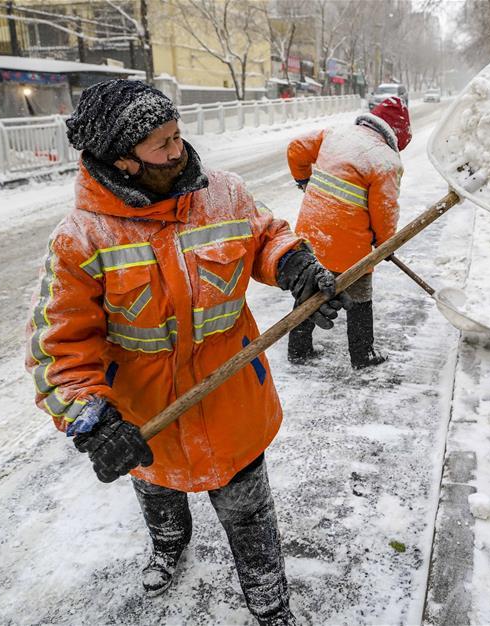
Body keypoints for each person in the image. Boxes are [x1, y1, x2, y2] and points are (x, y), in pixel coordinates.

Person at [25, 79, 349, 624]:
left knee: (249, 513)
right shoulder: (81, 238)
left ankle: (271, 603)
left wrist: (293, 263)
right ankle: (169, 545)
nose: (179, 150)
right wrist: (93, 420)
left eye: (178, 135)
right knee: (158, 495)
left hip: (233, 400)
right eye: (162, 143)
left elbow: (265, 236)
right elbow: (57, 346)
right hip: (149, 415)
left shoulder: (223, 193)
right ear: (123, 161)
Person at [286, 96, 411, 368]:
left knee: (309, 290)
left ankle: (298, 349)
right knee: (359, 298)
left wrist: (303, 180)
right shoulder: (386, 160)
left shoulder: (336, 134)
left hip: (310, 234)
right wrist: (384, 244)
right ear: (396, 137)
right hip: (349, 249)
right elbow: (384, 211)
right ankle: (362, 355)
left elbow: (296, 148)